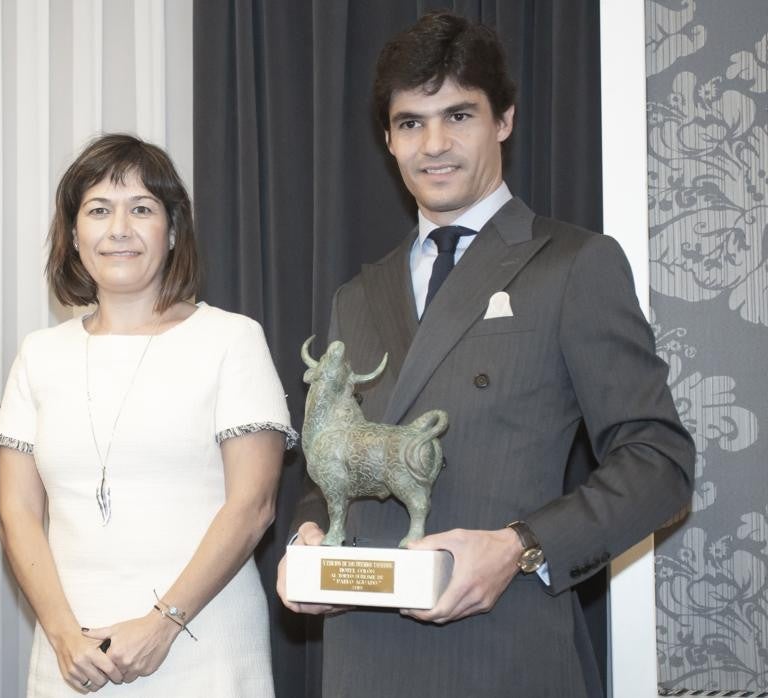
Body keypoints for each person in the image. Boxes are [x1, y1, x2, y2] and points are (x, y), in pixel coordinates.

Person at [277, 11, 695, 697]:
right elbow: (328, 469)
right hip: (361, 666)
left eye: (459, 116)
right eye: (411, 122)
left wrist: (517, 546)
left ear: (504, 119)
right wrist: (308, 537)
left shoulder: (573, 265)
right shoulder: (356, 295)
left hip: (506, 661)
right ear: (387, 137)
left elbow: (660, 464)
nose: (434, 144)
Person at [0, 134, 295, 696]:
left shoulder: (231, 339)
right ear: (75, 233)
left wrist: (162, 624)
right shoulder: (39, 353)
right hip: (71, 658)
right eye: (99, 210)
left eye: (142, 209)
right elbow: (18, 511)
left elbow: (253, 505)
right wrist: (61, 634)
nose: (120, 229)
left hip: (203, 645)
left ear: (173, 231)